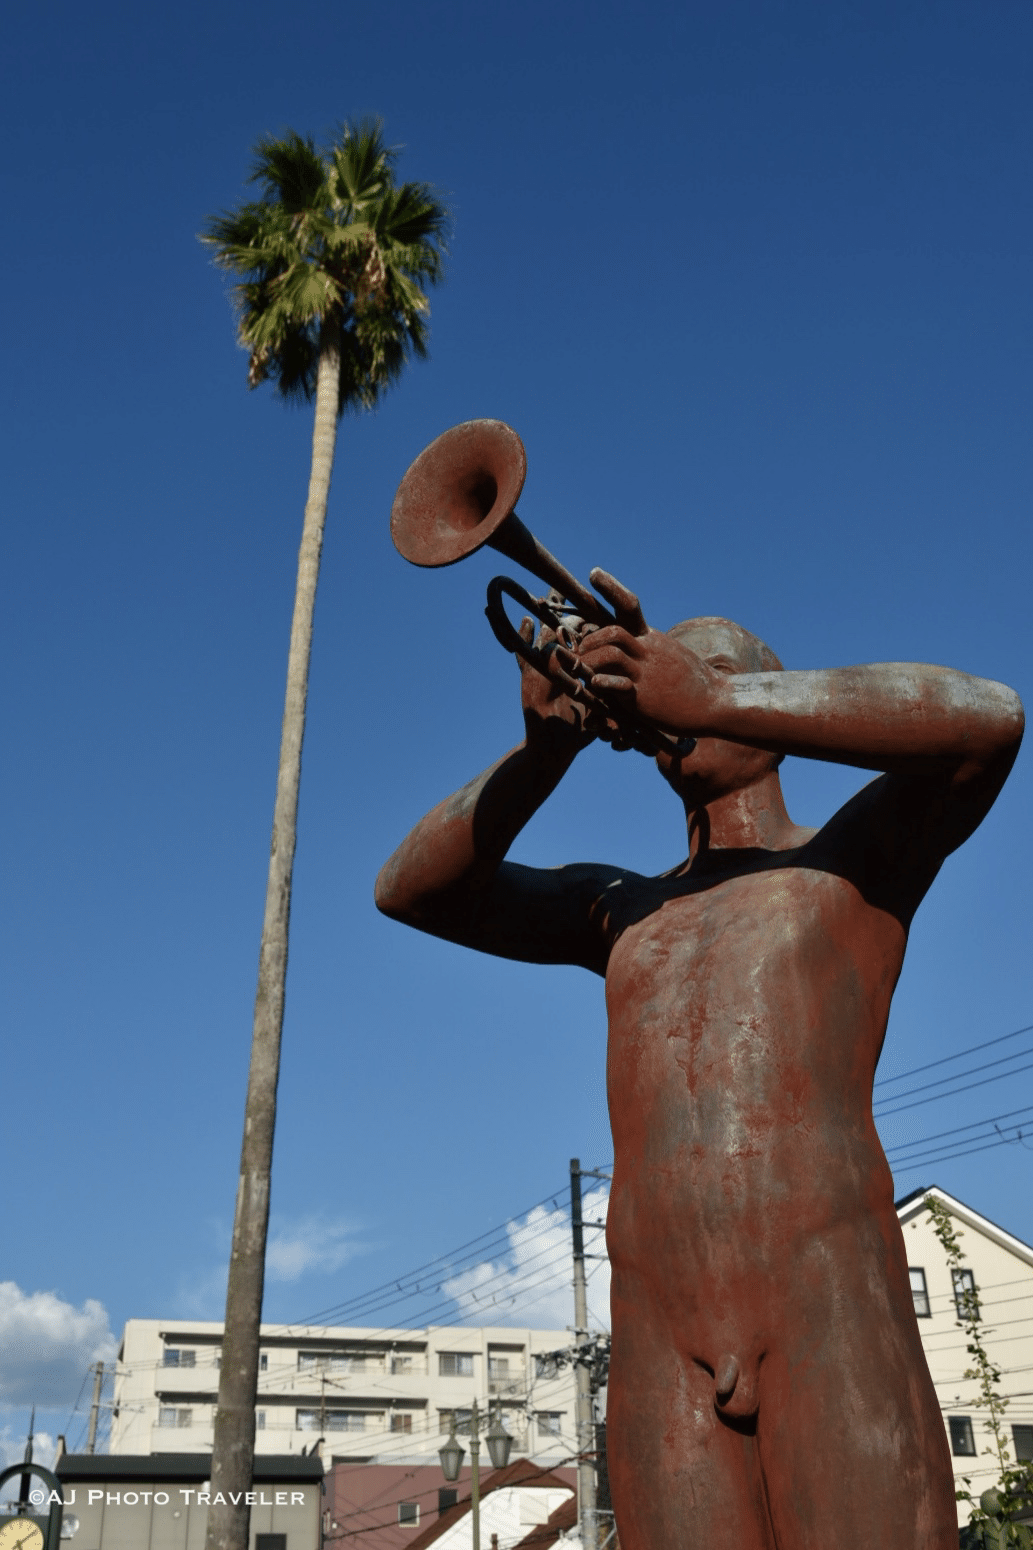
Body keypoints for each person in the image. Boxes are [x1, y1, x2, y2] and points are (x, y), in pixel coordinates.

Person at [374, 569, 1023, 1550]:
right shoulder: (626, 908)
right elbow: (410, 889)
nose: (665, 684)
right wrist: (541, 755)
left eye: (699, 669)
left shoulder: (850, 862)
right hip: (655, 1335)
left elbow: (989, 718)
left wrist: (711, 693)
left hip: (826, 1304)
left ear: (771, 700)